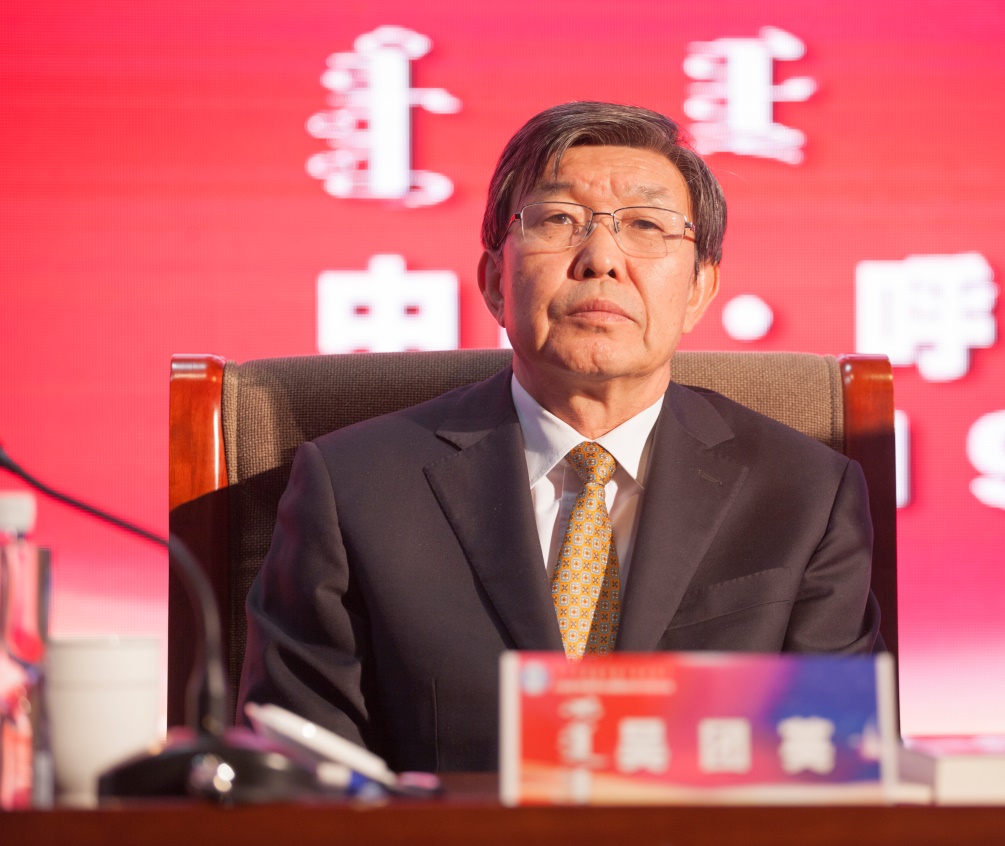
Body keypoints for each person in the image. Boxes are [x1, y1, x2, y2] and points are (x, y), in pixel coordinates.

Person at [237, 101, 879, 772]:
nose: (601, 258)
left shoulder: (804, 494)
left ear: (699, 289)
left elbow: (830, 773)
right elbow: (302, 777)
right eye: (558, 220)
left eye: (645, 225)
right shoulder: (357, 488)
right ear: (494, 282)